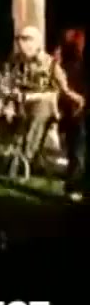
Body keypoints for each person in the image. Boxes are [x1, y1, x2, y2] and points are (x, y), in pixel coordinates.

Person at [0, 26, 83, 175]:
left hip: (42, 102)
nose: (21, 43)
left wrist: (76, 99)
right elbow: (4, 82)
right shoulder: (14, 61)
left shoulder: (50, 64)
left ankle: (27, 156)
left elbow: (61, 89)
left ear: (37, 42)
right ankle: (11, 153)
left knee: (40, 110)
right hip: (18, 101)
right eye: (18, 39)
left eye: (26, 39)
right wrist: (9, 96)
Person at [52, 28, 87, 200]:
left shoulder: (68, 66)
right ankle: (73, 187)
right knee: (77, 151)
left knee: (77, 151)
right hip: (76, 113)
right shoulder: (71, 66)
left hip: (76, 112)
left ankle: (75, 186)